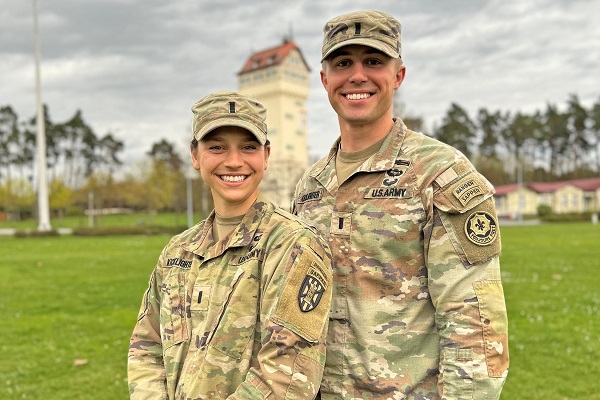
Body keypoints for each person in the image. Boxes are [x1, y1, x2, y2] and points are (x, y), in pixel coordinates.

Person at [292, 10, 509, 400]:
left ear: (398, 76)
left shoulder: (440, 174)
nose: (357, 75)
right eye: (343, 63)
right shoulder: (310, 186)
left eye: (373, 61)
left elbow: (474, 325)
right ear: (325, 80)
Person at [128, 91, 333, 399]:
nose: (234, 161)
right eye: (217, 147)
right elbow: (146, 349)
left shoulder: (292, 244)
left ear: (265, 155)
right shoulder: (177, 252)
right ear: (195, 156)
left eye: (248, 147)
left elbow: (287, 376)